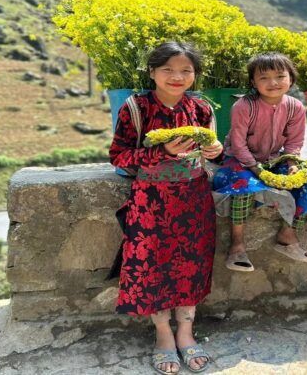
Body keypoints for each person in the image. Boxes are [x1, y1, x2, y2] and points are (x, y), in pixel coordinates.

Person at [109, 41, 223, 374]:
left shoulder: (201, 108)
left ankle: (186, 331)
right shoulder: (136, 107)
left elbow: (211, 152)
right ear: (152, 72)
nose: (177, 76)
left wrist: (216, 150)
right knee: (151, 266)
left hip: (194, 196)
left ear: (195, 74)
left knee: (193, 263)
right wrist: (163, 154)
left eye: (186, 70)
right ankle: (163, 334)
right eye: (168, 70)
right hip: (151, 199)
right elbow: (119, 156)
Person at [213, 52, 307, 272]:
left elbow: (293, 144)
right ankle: (237, 245)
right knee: (244, 186)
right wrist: (255, 169)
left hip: (274, 158)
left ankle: (287, 236)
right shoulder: (244, 106)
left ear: (290, 79)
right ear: (253, 82)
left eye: (280, 76)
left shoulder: (295, 107)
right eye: (263, 78)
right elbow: (237, 144)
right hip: (239, 159)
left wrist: (292, 164)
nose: (273, 83)